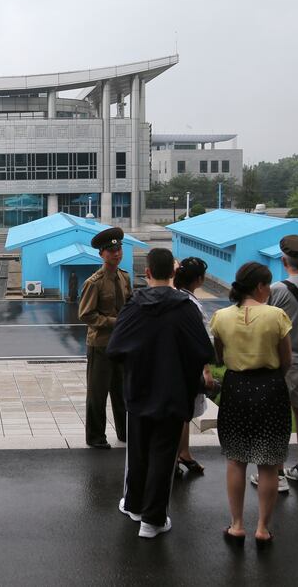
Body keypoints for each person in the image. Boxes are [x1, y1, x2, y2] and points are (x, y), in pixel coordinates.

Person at [107, 248, 213, 538]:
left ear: (147, 273)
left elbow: (115, 348)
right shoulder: (186, 307)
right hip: (174, 390)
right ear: (174, 273)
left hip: (139, 389)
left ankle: (134, 505)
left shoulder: (134, 305)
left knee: (138, 452)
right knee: (163, 455)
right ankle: (152, 520)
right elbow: (204, 350)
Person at [210, 262, 292, 547]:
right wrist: (271, 377)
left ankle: (236, 525)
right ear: (259, 286)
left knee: (236, 459)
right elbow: (287, 360)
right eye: (268, 285)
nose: (269, 290)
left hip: (236, 388)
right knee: (269, 463)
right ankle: (263, 529)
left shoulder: (220, 317)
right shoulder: (276, 316)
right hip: (270, 387)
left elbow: (219, 357)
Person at [252, 236, 298, 491]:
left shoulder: (277, 289)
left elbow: (264, 321)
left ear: (283, 260)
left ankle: (277, 472)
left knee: (276, 415)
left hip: (280, 362)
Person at [78, 227, 132, 449]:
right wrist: (114, 322)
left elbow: (129, 305)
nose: (116, 253)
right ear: (101, 254)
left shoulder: (124, 277)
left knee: (122, 394)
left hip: (122, 345)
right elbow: (86, 314)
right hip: (100, 344)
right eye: (111, 251)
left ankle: (125, 432)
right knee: (97, 395)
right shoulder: (95, 282)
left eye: (119, 248)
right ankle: (96, 437)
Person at [172, 257, 216, 477]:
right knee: (182, 413)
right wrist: (206, 371)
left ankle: (184, 453)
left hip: (171, 364)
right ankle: (179, 456)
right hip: (186, 367)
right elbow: (202, 340)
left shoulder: (173, 297)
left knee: (183, 414)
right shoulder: (191, 305)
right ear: (199, 280)